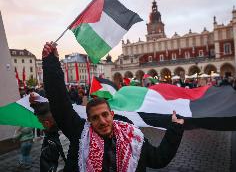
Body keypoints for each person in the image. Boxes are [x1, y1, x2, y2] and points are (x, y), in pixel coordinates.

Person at [42, 42, 184, 172]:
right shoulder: (81, 134)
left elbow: (158, 159)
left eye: (105, 115)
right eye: (95, 118)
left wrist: (175, 128)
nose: (102, 121)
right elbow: (59, 104)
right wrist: (51, 63)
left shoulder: (132, 136)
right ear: (89, 121)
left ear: (112, 113)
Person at [29, 92, 66, 172]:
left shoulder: (51, 144)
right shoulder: (70, 132)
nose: (41, 125)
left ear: (47, 123)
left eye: (41, 122)